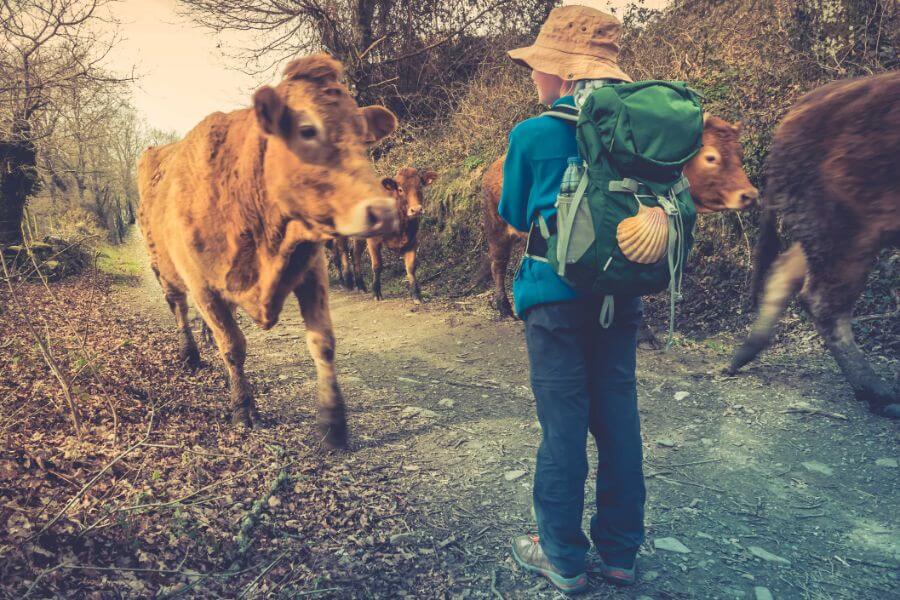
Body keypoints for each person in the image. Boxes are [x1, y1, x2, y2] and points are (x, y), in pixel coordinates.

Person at [500, 5, 645, 593]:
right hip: (622, 295)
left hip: (554, 301)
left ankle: (559, 555)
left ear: (561, 76)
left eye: (539, 67)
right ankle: (619, 555)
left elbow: (513, 215)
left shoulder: (534, 133)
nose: (533, 77)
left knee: (562, 426)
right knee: (618, 421)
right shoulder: (638, 129)